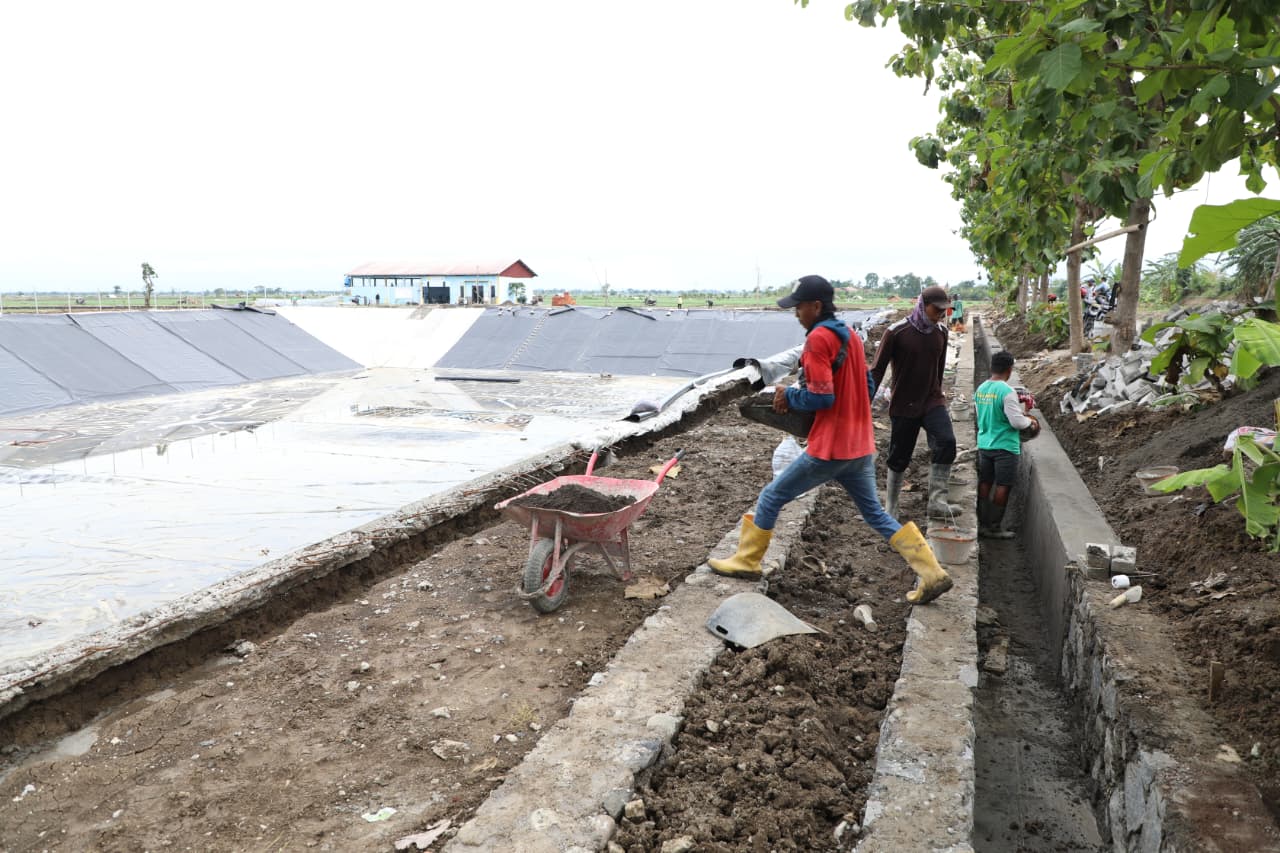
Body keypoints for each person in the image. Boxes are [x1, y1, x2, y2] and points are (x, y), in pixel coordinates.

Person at [708, 275, 953, 605]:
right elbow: (866, 388)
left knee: (771, 497)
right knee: (876, 515)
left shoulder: (818, 340)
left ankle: (747, 562)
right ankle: (932, 572)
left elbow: (820, 397)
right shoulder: (849, 336)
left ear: (816, 306)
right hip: (860, 445)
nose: (796, 314)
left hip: (831, 447)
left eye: (799, 308)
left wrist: (789, 397)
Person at [870, 285, 962, 521]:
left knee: (946, 441)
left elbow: (939, 370)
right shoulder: (896, 332)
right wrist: (865, 402)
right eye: (936, 309)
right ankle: (891, 505)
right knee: (899, 456)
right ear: (923, 305)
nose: (940, 314)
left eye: (944, 310)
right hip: (904, 403)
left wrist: (938, 393)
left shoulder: (941, 332)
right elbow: (877, 371)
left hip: (932, 400)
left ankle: (937, 501)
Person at [975, 350, 1038, 538]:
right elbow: (1017, 423)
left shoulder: (981, 388)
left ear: (992, 367)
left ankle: (981, 522)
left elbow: (980, 417)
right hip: (1005, 447)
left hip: (985, 444)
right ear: (1009, 370)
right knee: (1003, 485)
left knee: (985, 482)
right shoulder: (1006, 391)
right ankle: (994, 527)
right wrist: (1031, 422)